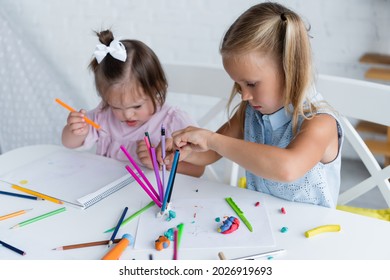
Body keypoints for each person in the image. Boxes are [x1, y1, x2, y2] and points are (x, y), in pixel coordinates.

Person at [162, 2, 344, 207]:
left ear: (289, 69)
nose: (244, 95)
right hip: (259, 220)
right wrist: (187, 151)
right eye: (238, 84)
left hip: (309, 232)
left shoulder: (319, 122)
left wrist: (211, 139)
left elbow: (288, 168)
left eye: (251, 84)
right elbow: (213, 152)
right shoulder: (250, 112)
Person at [61, 29, 204, 177]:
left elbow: (198, 170)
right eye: (116, 106)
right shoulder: (104, 115)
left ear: (157, 88)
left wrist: (159, 162)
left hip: (154, 197)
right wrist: (75, 130)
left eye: (137, 106)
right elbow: (69, 143)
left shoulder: (173, 122)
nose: (127, 115)